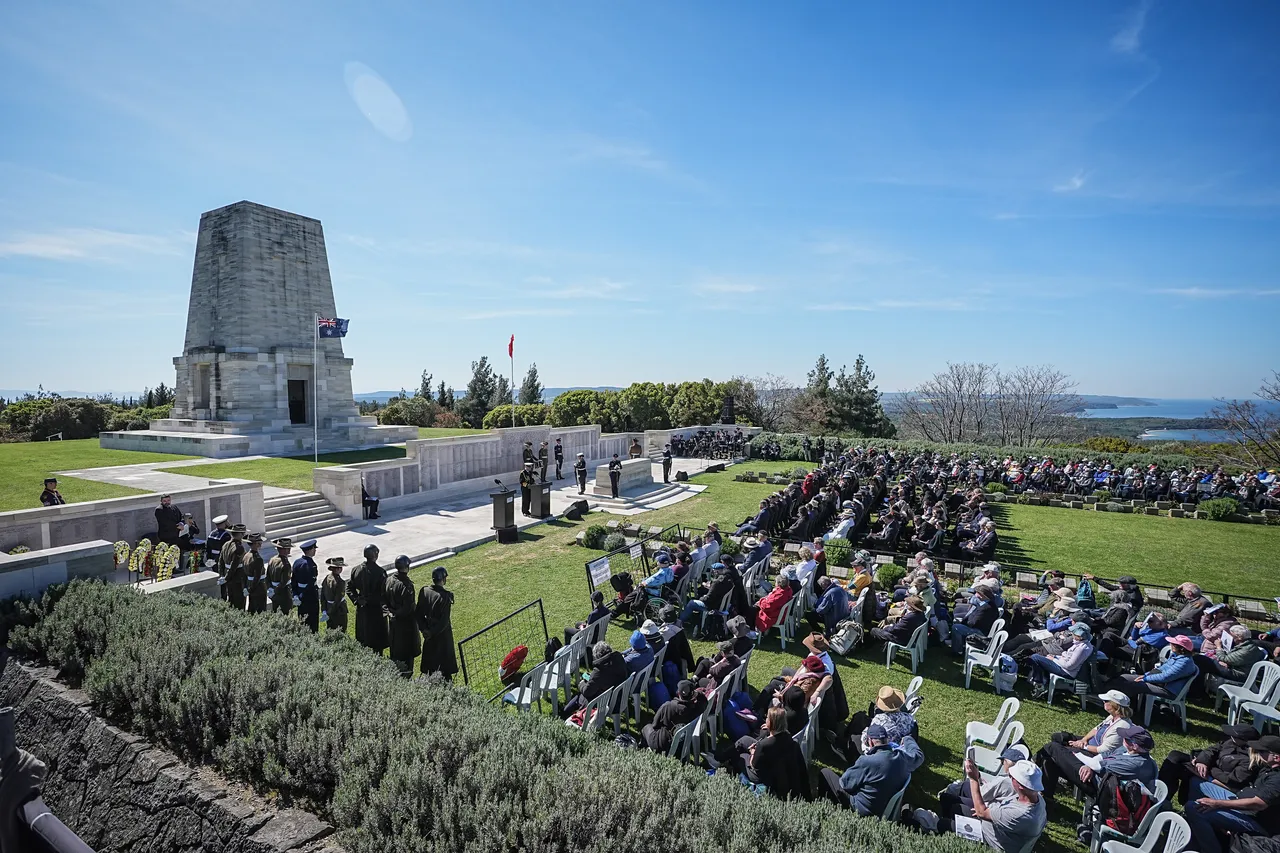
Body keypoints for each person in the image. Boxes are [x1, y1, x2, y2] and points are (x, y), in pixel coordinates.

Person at [916, 760, 1047, 853]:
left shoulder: (1022, 815)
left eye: (1012, 777)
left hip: (992, 842)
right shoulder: (1037, 799)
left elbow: (981, 812)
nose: (1009, 777)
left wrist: (974, 778)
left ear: (1020, 785)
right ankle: (951, 829)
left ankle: (937, 830)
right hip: (995, 827)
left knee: (944, 823)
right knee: (949, 802)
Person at [1184, 734, 1280, 853]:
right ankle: (1199, 828)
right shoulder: (1267, 766)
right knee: (1197, 783)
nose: (1257, 752)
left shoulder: (1277, 779)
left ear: (1276, 758)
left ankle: (1211, 849)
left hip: (1253, 819)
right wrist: (1203, 761)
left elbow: (1258, 804)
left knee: (1193, 808)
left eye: (1261, 750)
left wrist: (1217, 804)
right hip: (1237, 799)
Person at [1033, 690, 1136, 796]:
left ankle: (1031, 766)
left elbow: (1102, 751)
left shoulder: (1122, 726)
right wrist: (1083, 740)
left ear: (1115, 706)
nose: (1103, 702)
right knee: (1058, 738)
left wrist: (1083, 746)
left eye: (1106, 701)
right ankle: (1046, 788)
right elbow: (1096, 729)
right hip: (1091, 746)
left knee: (1053, 748)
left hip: (1094, 755)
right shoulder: (1112, 717)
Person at [821, 724, 923, 816]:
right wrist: (907, 739)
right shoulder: (903, 758)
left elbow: (845, 784)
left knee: (825, 773)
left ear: (870, 741)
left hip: (863, 809)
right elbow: (918, 755)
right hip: (886, 808)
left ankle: (821, 808)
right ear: (887, 740)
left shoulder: (867, 761)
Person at [1159, 723, 1260, 805]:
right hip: (1209, 768)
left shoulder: (1249, 761)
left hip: (1217, 780)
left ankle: (1163, 801)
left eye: (1234, 736)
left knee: (1179, 769)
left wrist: (1208, 769)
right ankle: (1161, 797)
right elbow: (1213, 749)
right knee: (1175, 756)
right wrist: (1202, 761)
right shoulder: (1231, 742)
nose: (1230, 736)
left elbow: (1231, 780)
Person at [1100, 633, 1197, 708]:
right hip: (1160, 683)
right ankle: (1107, 696)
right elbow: (1161, 669)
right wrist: (1145, 675)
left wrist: (1146, 679)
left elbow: (1165, 677)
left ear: (1180, 648)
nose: (1171, 644)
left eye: (1173, 643)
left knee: (1133, 685)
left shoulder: (1185, 663)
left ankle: (1122, 707)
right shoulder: (1176, 656)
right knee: (1123, 677)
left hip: (1168, 690)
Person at [745, 706, 810, 800]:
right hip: (780, 777)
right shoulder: (789, 739)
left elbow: (754, 765)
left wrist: (752, 752)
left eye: (767, 718)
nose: (765, 719)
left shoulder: (764, 745)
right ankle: (720, 758)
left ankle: (724, 764)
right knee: (744, 740)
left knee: (741, 756)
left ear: (771, 722)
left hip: (763, 777)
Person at [1197, 624, 1266, 699]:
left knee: (1201, 661)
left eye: (1232, 636)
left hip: (1238, 674)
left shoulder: (1246, 650)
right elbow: (1230, 658)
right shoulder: (1245, 645)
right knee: (1203, 660)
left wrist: (1218, 647)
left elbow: (1224, 658)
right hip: (1234, 666)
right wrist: (1226, 660)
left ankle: (1197, 692)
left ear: (1239, 637)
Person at [561, 640, 627, 719]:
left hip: (605, 702)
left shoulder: (599, 671)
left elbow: (587, 692)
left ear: (597, 656)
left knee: (580, 695)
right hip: (619, 696)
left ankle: (564, 713)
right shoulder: (618, 659)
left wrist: (581, 683)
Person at [1028, 623, 1094, 699]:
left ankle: (1039, 684)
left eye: (1073, 633)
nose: (1072, 634)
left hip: (1066, 672)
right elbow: (1067, 658)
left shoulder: (1081, 649)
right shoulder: (1082, 644)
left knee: (1035, 657)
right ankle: (1041, 684)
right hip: (1063, 666)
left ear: (1079, 635)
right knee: (1041, 657)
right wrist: (1056, 656)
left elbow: (1069, 666)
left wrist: (1054, 659)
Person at [642, 679, 707, 752]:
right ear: (693, 694)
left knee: (646, 727)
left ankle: (642, 748)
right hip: (682, 744)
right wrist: (697, 693)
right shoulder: (696, 708)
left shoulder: (668, 706)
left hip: (662, 744)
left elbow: (655, 725)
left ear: (678, 693)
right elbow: (704, 701)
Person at [416, 564, 457, 679]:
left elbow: (418, 613)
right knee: (444, 667)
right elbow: (444, 622)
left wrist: (424, 629)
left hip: (428, 630)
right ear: (443, 579)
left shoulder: (424, 591)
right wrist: (432, 632)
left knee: (430, 664)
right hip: (441, 635)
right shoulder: (445, 597)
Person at [384, 555, 420, 678]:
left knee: (395, 653)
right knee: (407, 657)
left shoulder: (388, 580)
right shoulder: (406, 585)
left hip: (393, 624)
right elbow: (408, 608)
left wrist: (390, 612)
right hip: (406, 626)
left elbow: (383, 600)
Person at [349, 544, 389, 655]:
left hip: (362, 609)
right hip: (376, 612)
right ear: (375, 555)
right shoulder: (380, 572)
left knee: (363, 638)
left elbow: (349, 587)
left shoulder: (355, 570)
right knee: (376, 643)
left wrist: (356, 599)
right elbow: (383, 594)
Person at [949, 583, 998, 655]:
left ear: (982, 596)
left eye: (977, 593)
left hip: (980, 632)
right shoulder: (987, 604)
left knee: (956, 628)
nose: (975, 595)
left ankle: (957, 651)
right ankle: (961, 645)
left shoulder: (986, 608)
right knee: (959, 624)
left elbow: (973, 623)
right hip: (982, 629)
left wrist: (965, 621)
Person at [292, 539, 321, 632]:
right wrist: (302, 596)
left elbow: (294, 581)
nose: (315, 550)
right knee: (312, 622)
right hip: (309, 598)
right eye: (314, 548)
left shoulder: (297, 562)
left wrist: (295, 595)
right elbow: (310, 585)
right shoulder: (311, 565)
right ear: (310, 550)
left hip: (300, 595)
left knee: (302, 619)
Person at [218, 523, 248, 610]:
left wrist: (222, 576)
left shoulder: (226, 544)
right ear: (241, 534)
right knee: (239, 603)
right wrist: (226, 577)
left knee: (231, 600)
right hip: (237, 578)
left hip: (228, 578)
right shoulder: (239, 548)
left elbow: (220, 562)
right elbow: (233, 566)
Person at [266, 538, 294, 614]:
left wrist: (270, 589)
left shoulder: (272, 559)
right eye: (288, 548)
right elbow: (284, 581)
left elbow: (267, 576)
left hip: (273, 590)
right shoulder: (286, 564)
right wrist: (275, 590)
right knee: (286, 612)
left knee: (275, 611)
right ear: (285, 550)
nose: (289, 550)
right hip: (283, 593)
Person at [320, 556, 347, 633]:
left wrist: (324, 610)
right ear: (338, 569)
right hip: (339, 610)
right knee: (341, 630)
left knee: (330, 629)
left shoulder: (327, 578)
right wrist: (332, 611)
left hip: (328, 607)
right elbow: (338, 600)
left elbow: (323, 595)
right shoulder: (340, 582)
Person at [243, 532, 268, 614]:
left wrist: (247, 588)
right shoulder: (258, 559)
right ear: (256, 544)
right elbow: (257, 577)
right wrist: (251, 589)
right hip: (258, 587)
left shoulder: (246, 555)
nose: (261, 544)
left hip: (250, 584)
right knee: (260, 609)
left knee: (252, 607)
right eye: (259, 543)